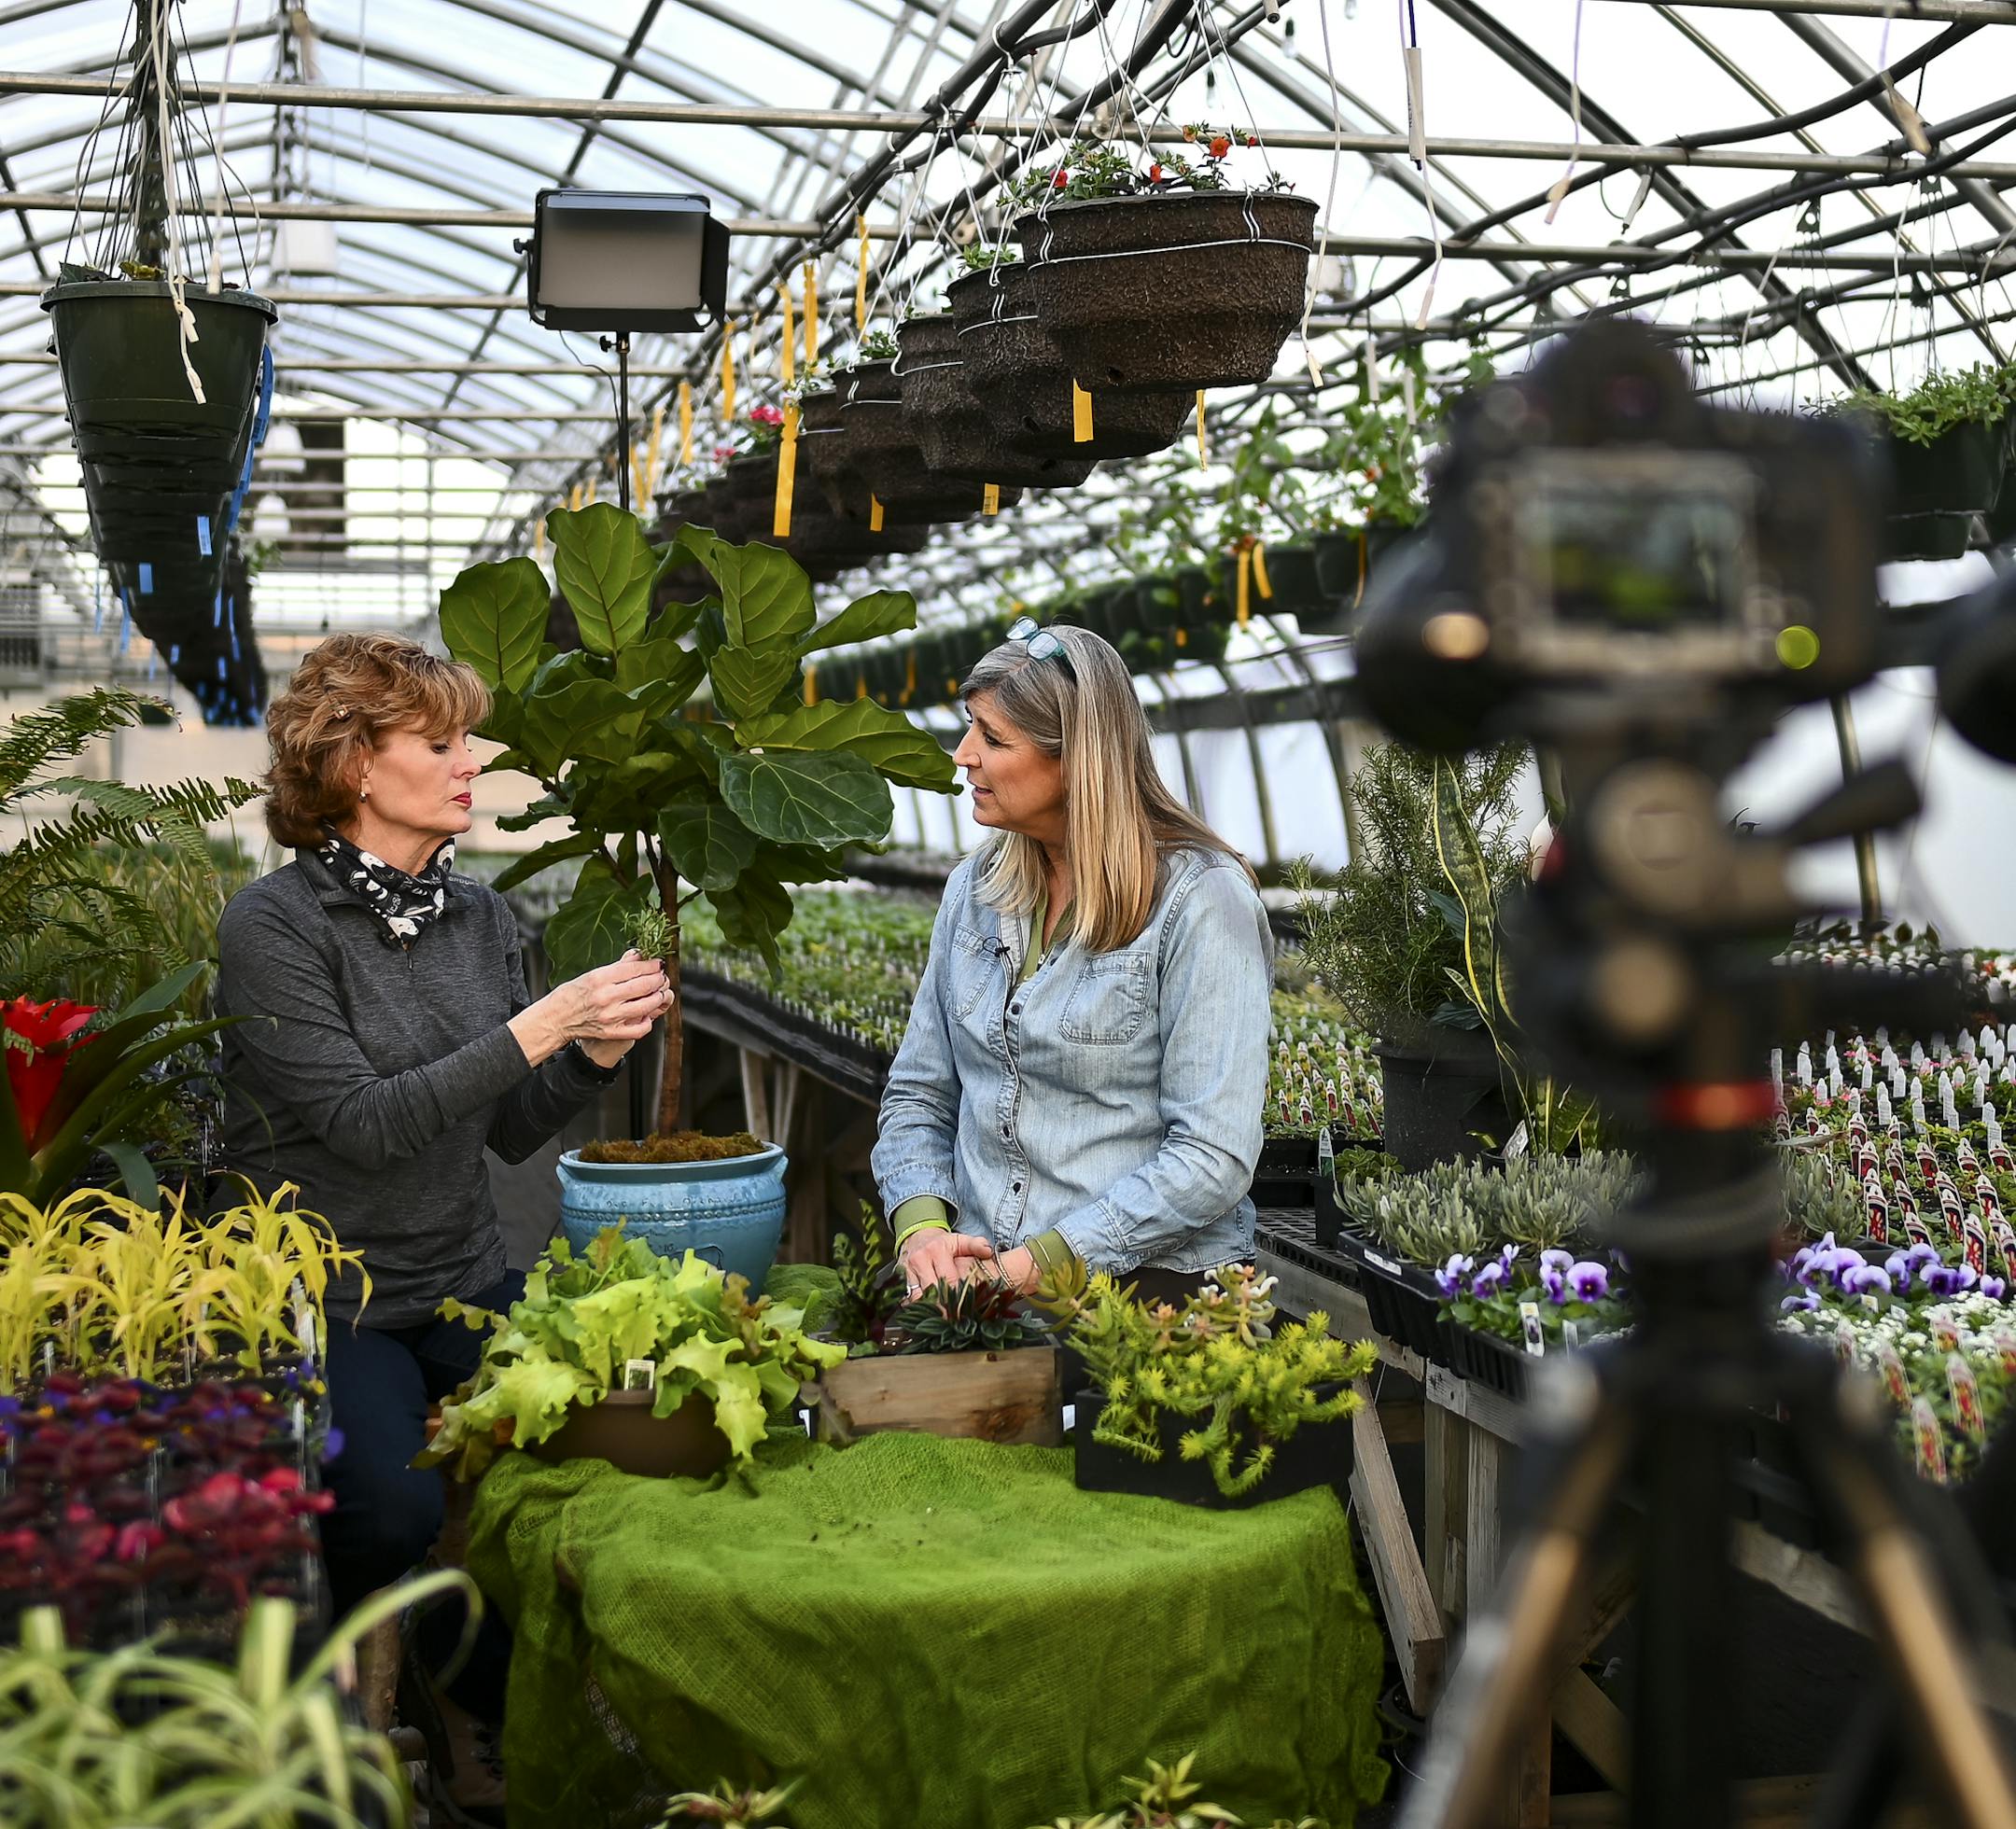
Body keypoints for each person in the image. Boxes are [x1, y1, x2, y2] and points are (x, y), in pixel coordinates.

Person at [214, 633, 670, 1811]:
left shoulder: (475, 919)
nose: (471, 762)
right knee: (393, 1503)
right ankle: (456, 1698)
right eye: (442, 741)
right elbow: (364, 1124)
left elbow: (510, 1127)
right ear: (358, 765)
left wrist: (590, 1057)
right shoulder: (275, 930)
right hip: (332, 1296)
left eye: (466, 738)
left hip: (462, 1272)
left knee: (613, 1444)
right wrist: (540, 1025)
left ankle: (525, 1710)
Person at [873, 619, 1272, 1306]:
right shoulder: (974, 890)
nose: (964, 754)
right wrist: (925, 1235)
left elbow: (1212, 1158)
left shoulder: (1200, 901)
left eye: (993, 738)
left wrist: (1032, 1267)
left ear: (1076, 759)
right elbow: (918, 1094)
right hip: (976, 1286)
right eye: (970, 727)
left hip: (1143, 1299)